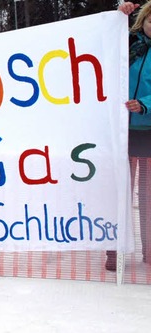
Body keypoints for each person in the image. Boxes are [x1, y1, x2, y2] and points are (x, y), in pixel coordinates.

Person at [110, 1, 151, 271]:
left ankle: (149, 248)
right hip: (121, 131)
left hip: (148, 131)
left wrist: (145, 103)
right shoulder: (126, 43)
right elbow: (104, 41)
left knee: (147, 196)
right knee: (119, 191)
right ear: (143, 20)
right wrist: (118, 12)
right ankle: (115, 249)